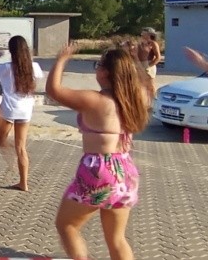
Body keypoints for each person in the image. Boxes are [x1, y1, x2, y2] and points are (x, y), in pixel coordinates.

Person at [46, 44, 150, 260]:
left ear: (106, 72)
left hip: (99, 170)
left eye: (98, 65)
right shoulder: (135, 97)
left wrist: (62, 59)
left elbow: (54, 91)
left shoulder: (95, 100)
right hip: (126, 171)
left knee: (67, 225)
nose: (96, 69)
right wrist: (135, 62)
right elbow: (144, 83)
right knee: (117, 239)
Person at [0, 35, 43, 192]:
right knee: (21, 147)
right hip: (26, 110)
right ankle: (24, 182)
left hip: (9, 109)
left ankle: (10, 153)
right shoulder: (34, 66)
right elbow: (35, 82)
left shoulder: (6, 68)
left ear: (11, 51)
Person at [137, 27, 162, 98]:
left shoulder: (153, 43)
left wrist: (149, 66)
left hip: (149, 64)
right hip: (140, 64)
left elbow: (158, 57)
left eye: (144, 32)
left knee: (150, 85)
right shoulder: (140, 43)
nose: (142, 34)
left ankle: (154, 100)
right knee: (140, 85)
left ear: (149, 34)